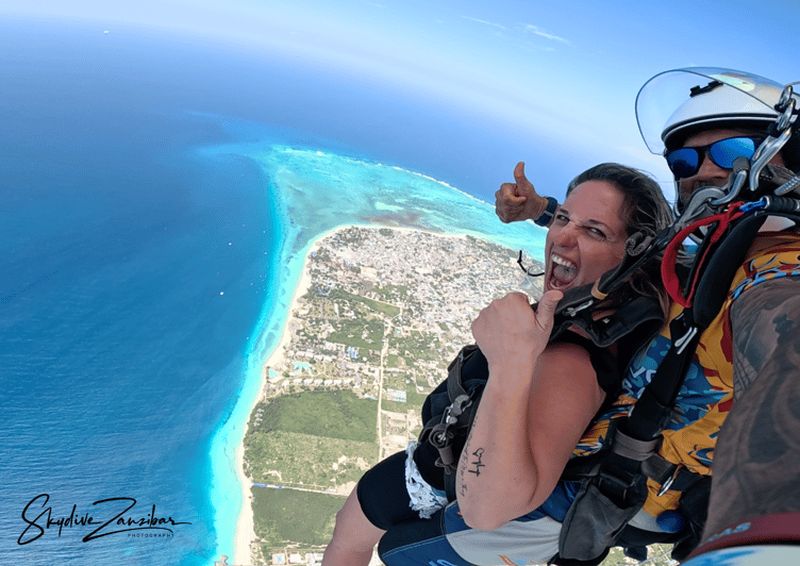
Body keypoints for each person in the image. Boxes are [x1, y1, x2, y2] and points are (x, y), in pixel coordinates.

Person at [495, 67, 800, 564]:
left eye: (731, 153)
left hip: (595, 494)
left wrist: (768, 538)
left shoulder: (778, 267)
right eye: (684, 161)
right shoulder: (713, 248)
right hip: (581, 456)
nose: (703, 172)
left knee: (405, 547)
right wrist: (540, 211)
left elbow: (783, 336)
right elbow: (642, 245)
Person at [323, 163, 674, 566]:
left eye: (595, 231)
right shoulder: (607, 315)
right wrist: (540, 209)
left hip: (438, 480)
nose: (562, 236)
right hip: (446, 468)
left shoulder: (573, 360)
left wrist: (510, 362)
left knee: (347, 541)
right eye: (563, 219)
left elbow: (487, 511)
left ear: (635, 254)